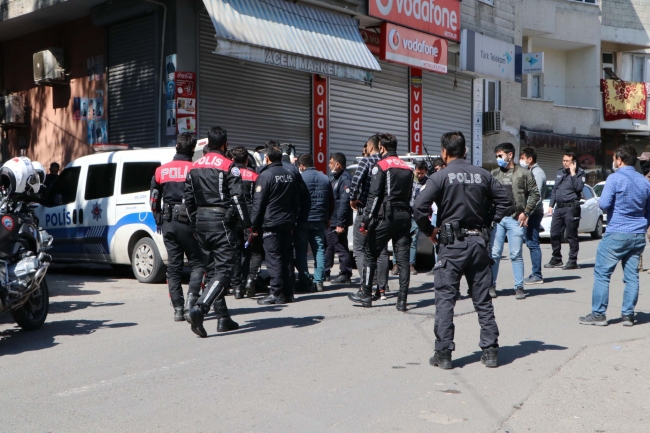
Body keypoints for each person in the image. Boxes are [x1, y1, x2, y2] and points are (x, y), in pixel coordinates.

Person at [413, 132, 514, 369]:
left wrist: (430, 231)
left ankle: (444, 353)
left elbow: (419, 207)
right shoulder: (483, 174)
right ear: (465, 151)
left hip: (451, 246)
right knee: (483, 300)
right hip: (478, 243)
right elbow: (506, 201)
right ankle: (490, 351)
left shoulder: (440, 176)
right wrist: (489, 220)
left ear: (444, 153)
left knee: (445, 300)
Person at [184, 127, 251, 337]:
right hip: (221, 222)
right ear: (225, 144)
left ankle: (223, 319)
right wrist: (246, 225)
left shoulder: (194, 167)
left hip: (201, 223)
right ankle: (200, 308)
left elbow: (188, 201)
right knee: (224, 271)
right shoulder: (229, 166)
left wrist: (195, 223)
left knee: (212, 271)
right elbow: (238, 199)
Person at [579, 145, 650, 327]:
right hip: (637, 234)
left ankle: (599, 314)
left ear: (620, 160)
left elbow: (603, 204)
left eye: (615, 158)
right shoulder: (644, 182)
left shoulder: (614, 178)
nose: (614, 161)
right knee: (632, 275)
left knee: (602, 274)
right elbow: (648, 210)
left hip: (617, 232)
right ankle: (628, 315)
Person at [348, 133, 413, 311]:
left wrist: (367, 221)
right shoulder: (407, 167)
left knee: (370, 253)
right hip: (405, 216)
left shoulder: (381, 165)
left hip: (387, 215)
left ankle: (366, 294)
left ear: (382, 148)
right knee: (403, 259)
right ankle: (402, 300)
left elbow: (375, 195)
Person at [150, 133, 205, 321]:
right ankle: (192, 301)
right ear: (192, 149)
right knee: (198, 263)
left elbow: (154, 198)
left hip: (168, 222)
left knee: (174, 267)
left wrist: (157, 217)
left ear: (176, 148)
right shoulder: (196, 169)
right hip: (190, 222)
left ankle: (178, 310)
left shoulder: (161, 171)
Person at [489, 143, 540, 300]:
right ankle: (491, 285)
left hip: (515, 219)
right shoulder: (493, 174)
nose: (498, 159)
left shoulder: (524, 173)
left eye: (500, 155)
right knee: (494, 254)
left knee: (516, 254)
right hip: (497, 220)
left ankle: (519, 287)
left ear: (509, 155)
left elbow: (534, 194)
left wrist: (526, 212)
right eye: (497, 156)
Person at [250, 144, 300, 305]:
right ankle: (288, 292)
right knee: (286, 257)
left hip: (271, 222)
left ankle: (276, 293)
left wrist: (254, 225)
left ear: (267, 158)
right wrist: (293, 219)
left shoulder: (265, 175)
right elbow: (296, 201)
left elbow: (258, 203)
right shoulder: (289, 174)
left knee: (273, 258)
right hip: (287, 221)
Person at [349, 134, 390, 298]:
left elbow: (355, 180)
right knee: (381, 251)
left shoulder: (366, 161)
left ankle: (367, 285)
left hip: (365, 210)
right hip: (381, 212)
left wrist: (353, 198)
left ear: (370, 147)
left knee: (359, 249)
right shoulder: (385, 163)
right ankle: (382, 288)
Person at [295, 153, 334, 293]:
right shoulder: (325, 178)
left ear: (301, 165)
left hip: (303, 220)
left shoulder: (300, 178)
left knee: (301, 251)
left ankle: (304, 280)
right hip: (319, 220)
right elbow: (331, 200)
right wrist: (328, 217)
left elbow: (296, 200)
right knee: (319, 250)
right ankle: (319, 281)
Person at [229, 146, 261, 299]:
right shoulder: (254, 175)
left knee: (236, 252)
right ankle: (248, 280)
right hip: (250, 216)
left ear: (232, 160)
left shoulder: (227, 173)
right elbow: (258, 200)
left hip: (233, 216)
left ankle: (236, 287)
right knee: (251, 251)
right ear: (247, 160)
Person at [545, 152, 585, 270]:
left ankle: (572, 260)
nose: (564, 163)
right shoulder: (559, 172)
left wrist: (573, 172)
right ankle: (556, 258)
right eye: (563, 160)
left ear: (573, 162)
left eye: (567, 161)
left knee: (571, 235)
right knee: (554, 233)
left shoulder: (580, 173)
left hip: (571, 208)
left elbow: (578, 188)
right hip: (559, 208)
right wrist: (551, 205)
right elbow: (554, 190)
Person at [519, 147, 547, 285]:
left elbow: (537, 196)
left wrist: (527, 213)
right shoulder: (530, 171)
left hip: (533, 213)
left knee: (533, 243)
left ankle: (537, 274)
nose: (521, 161)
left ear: (530, 159)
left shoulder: (537, 173)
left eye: (523, 158)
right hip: (530, 212)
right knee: (530, 242)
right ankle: (535, 273)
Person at [325, 153, 354, 285]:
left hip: (339, 220)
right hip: (334, 219)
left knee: (340, 246)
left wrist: (340, 223)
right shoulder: (336, 178)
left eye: (331, 163)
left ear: (338, 164)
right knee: (329, 245)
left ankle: (345, 273)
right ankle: (325, 271)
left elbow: (344, 202)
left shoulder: (345, 179)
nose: (329, 165)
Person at [408, 161, 429, 276]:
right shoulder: (410, 179)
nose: (419, 175)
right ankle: (396, 264)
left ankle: (411, 264)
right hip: (406, 212)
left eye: (422, 173)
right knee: (401, 239)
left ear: (425, 172)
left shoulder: (428, 182)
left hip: (417, 214)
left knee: (413, 239)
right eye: (418, 172)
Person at [426, 158, 445, 277]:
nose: (436, 171)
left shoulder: (446, 178)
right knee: (435, 241)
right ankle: (437, 264)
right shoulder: (434, 179)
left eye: (437, 169)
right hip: (435, 214)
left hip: (445, 214)